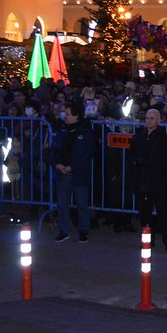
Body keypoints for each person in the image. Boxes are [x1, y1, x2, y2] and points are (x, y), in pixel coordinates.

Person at [127, 108, 167, 252]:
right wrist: (139, 162)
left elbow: (166, 159)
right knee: (144, 214)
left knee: (163, 214)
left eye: (152, 118)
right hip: (142, 180)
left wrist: (147, 162)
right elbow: (131, 155)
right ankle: (147, 241)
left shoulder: (164, 138)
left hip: (158, 181)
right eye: (147, 118)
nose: (149, 121)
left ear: (159, 120)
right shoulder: (139, 136)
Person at [50, 103, 95, 243]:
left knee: (81, 203)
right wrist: (57, 164)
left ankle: (83, 230)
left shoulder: (86, 132)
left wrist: (72, 167)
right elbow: (53, 150)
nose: (65, 116)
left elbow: (87, 155)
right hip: (62, 172)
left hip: (78, 173)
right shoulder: (62, 130)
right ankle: (63, 230)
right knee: (62, 203)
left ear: (76, 116)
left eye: (68, 114)